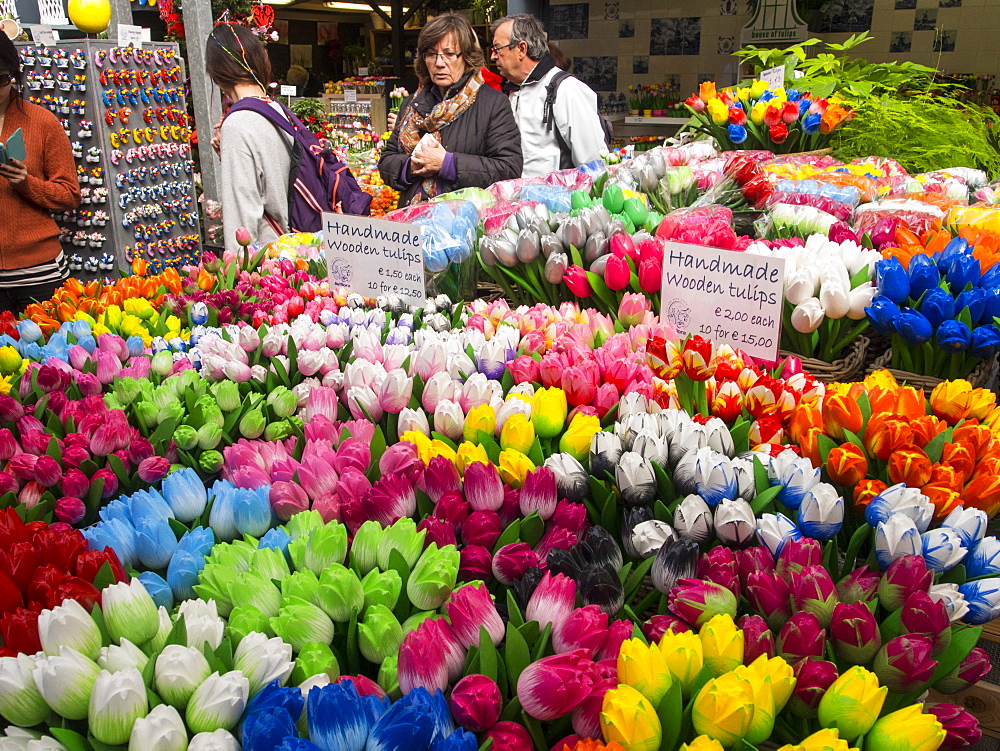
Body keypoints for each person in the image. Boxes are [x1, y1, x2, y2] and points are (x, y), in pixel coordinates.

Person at [379, 12, 522, 207]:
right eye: (431, 54)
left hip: (465, 223)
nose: (439, 63)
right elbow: (386, 161)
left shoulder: (493, 103)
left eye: (449, 54)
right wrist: (411, 166)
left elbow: (509, 169)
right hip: (412, 222)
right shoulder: (413, 103)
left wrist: (446, 164)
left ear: (467, 58)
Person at [0, 33, 80, 315]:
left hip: (38, 272)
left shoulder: (41, 121)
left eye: (0, 79)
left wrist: (25, 183)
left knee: (46, 355)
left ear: (14, 76)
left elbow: (69, 195)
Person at [206, 23, 292, 252]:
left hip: (268, 262)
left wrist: (237, 275)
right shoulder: (276, 109)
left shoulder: (237, 124)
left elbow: (242, 221)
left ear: (217, 73)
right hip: (294, 249)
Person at [490, 14, 605, 177]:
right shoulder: (510, 92)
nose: (492, 56)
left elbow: (593, 164)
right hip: (516, 199)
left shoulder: (566, 89)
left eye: (497, 48)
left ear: (522, 49)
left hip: (559, 200)